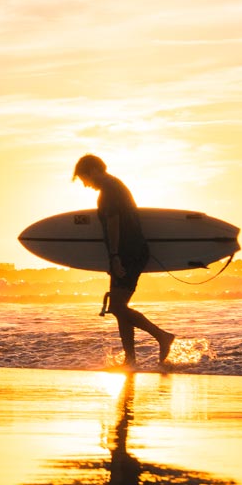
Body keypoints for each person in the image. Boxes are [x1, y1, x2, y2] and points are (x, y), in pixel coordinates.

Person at [73, 154, 174, 369]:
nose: (85, 185)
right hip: (127, 252)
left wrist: (115, 257)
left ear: (92, 171)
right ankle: (131, 360)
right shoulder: (115, 185)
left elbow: (114, 224)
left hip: (128, 254)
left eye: (84, 179)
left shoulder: (108, 191)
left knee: (118, 307)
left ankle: (162, 336)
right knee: (119, 308)